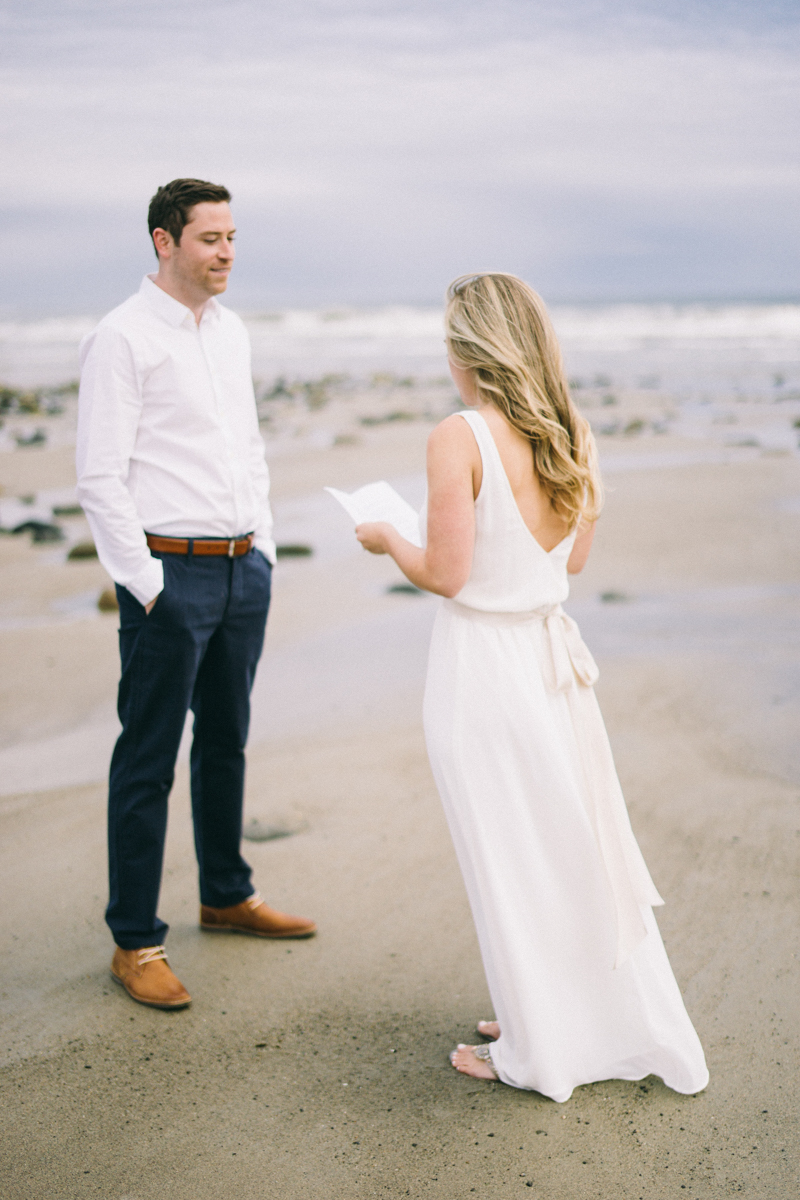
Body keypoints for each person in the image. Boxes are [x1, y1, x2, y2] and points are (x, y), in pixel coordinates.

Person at [355, 273, 708, 1101]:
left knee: (508, 856)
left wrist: (384, 538)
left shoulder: (459, 436)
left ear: (467, 347)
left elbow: (445, 573)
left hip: (482, 672)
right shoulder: (572, 430)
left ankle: (536, 1044)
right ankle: (543, 1007)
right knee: (563, 850)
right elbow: (572, 561)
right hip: (554, 673)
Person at [76, 178, 316, 1011]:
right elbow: (100, 477)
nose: (227, 254)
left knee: (225, 741)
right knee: (146, 758)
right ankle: (134, 942)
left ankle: (226, 894)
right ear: (163, 242)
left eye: (232, 237)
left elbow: (245, 447)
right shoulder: (122, 338)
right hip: (167, 576)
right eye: (210, 238)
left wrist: (266, 550)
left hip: (242, 565)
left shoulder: (233, 332)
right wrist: (147, 585)